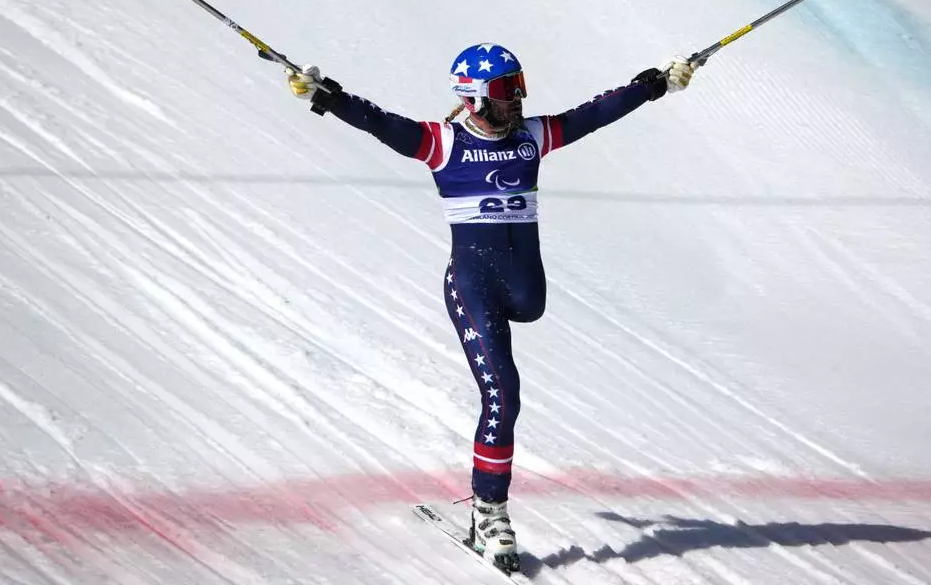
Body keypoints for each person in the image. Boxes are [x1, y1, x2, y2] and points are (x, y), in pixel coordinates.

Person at [286, 43, 695, 573]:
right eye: (507, 92)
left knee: (528, 311)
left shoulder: (531, 137)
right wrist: (323, 94)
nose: (519, 100)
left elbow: (595, 113)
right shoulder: (441, 143)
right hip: (473, 286)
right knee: (504, 393)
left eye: (519, 86)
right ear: (476, 98)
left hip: (523, 288)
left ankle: (489, 505)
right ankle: (490, 511)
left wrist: (655, 83)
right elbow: (375, 121)